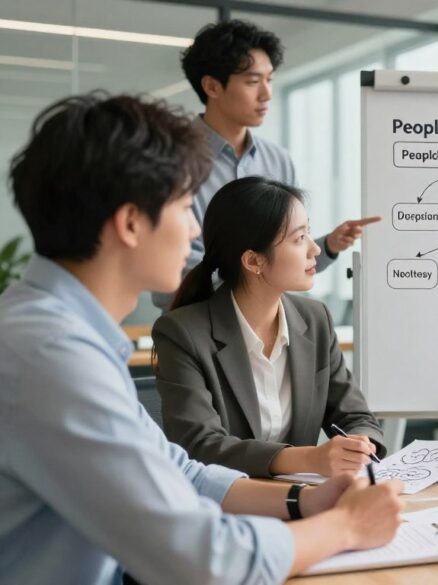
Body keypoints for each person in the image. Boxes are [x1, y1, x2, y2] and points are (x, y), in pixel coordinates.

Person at [0, 92, 402, 584]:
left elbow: (183, 471)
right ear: (130, 223)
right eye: (186, 206)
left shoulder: (62, 335)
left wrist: (308, 498)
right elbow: (202, 560)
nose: (194, 230)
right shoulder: (48, 355)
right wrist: (345, 527)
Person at [153, 176, 384, 479]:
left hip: (309, 501)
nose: (315, 249)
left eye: (309, 234)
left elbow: (355, 416)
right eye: (299, 238)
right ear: (253, 261)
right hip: (226, 509)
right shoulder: (182, 333)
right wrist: (309, 459)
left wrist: (361, 444)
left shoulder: (315, 320)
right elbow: (201, 446)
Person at [152, 19, 379, 310]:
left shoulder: (278, 161)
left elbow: (286, 256)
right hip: (197, 329)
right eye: (252, 81)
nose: (267, 94)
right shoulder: (171, 160)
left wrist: (328, 245)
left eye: (269, 80)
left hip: (269, 330)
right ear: (211, 86)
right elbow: (173, 274)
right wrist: (267, 272)